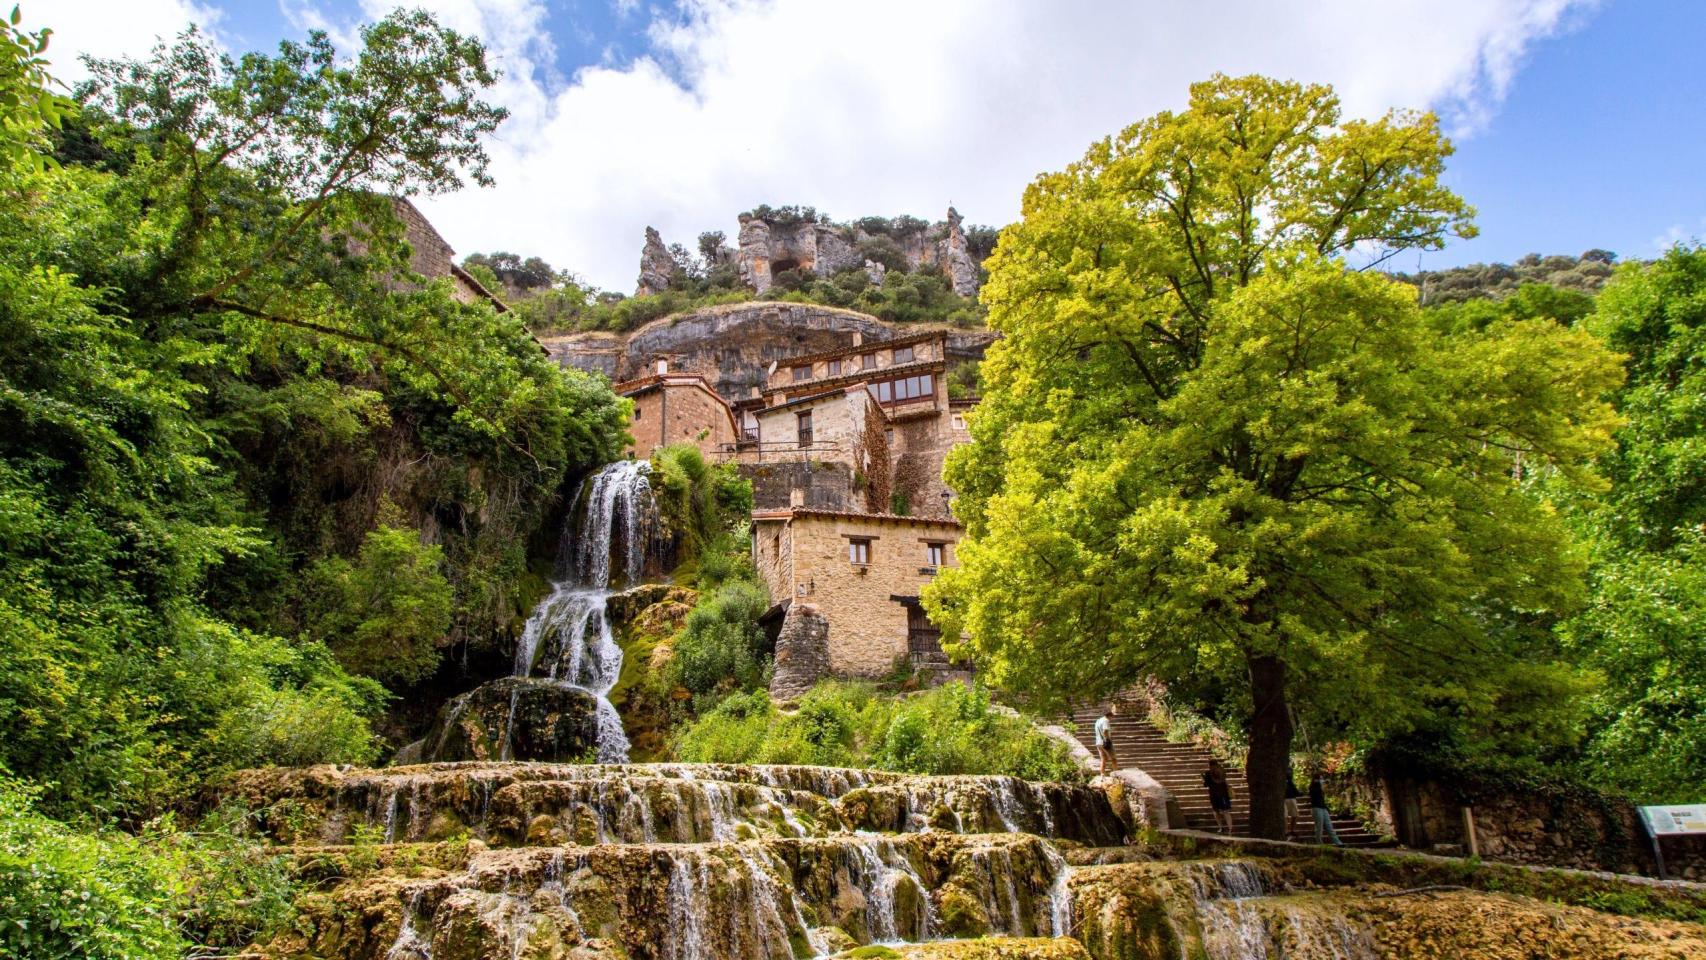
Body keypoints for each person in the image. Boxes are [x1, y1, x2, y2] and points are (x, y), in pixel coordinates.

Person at [1309, 772, 1344, 846]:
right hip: (1316, 808)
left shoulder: (1320, 787)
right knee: (1319, 827)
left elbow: (1322, 798)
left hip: (1323, 808)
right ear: (1316, 779)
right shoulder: (1313, 787)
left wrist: (1327, 808)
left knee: (1329, 826)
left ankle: (1338, 842)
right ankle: (1319, 843)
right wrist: (1318, 784)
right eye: (1320, 779)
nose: (1322, 780)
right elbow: (1314, 793)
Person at [1203, 759, 1235, 834]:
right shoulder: (1221, 771)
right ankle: (1230, 828)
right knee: (1226, 811)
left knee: (1216, 811)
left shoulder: (1208, 773)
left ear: (1209, 765)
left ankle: (1221, 827)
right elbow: (1224, 781)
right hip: (1223, 794)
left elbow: (1206, 784)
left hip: (1214, 794)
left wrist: (1203, 779)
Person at [1093, 707, 1118, 774]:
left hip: (1098, 742)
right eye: (1112, 716)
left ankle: (1102, 776)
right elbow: (1105, 731)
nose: (1112, 718)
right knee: (1114, 759)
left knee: (1103, 759)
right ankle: (1116, 773)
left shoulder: (1098, 721)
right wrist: (1108, 739)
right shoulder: (1106, 720)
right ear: (1109, 715)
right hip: (1105, 742)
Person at [1284, 760, 1304, 841]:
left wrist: (1298, 793)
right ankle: (1285, 831)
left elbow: (1291, 784)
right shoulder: (1280, 771)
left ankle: (1292, 830)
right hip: (1283, 798)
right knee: (1284, 816)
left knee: (1295, 815)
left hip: (1291, 797)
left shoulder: (1289, 771)